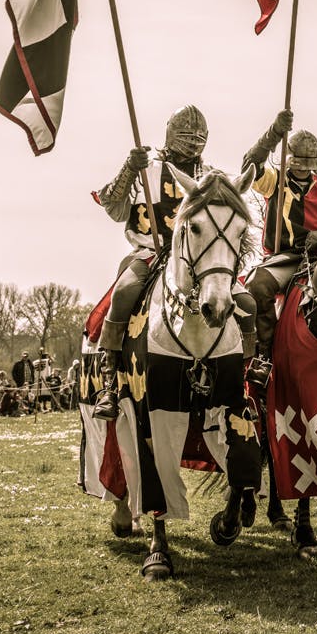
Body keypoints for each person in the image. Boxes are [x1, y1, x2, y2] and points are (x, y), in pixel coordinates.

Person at [93, 104, 265, 418]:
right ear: (172, 134)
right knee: (124, 293)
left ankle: (247, 376)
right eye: (186, 136)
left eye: (198, 137)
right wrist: (130, 169)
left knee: (248, 305)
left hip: (200, 260)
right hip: (148, 253)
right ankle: (110, 382)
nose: (192, 143)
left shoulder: (211, 176)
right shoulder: (147, 169)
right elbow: (113, 207)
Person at [241, 117, 317, 367]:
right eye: (298, 163)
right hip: (284, 258)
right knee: (257, 286)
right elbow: (249, 166)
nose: (303, 168)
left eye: (308, 164)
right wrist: (273, 134)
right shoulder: (274, 181)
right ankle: (264, 356)